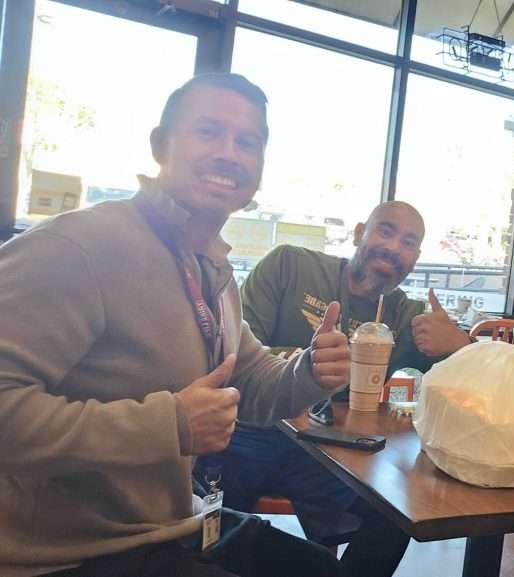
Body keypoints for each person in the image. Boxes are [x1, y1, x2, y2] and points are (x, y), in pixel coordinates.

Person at [0, 73, 353, 576]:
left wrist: (311, 371)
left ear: (257, 171)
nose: (229, 153)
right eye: (208, 132)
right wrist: (171, 424)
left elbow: (249, 383)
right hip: (67, 554)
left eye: (246, 142)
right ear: (160, 146)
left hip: (173, 525)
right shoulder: (79, 247)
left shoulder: (209, 266)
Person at [194, 200, 472, 574]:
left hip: (327, 451)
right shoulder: (289, 265)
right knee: (210, 531)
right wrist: (305, 360)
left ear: (416, 258)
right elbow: (236, 349)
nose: (393, 248)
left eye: (408, 242)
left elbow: (478, 386)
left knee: (394, 514)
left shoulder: (408, 316)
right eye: (385, 231)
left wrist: (460, 345)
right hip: (246, 433)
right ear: (360, 233)